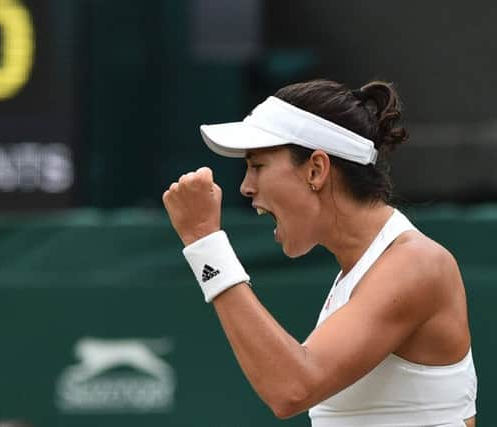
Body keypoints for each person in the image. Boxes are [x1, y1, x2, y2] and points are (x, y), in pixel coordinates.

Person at [162, 79, 478, 426]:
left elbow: (291, 388)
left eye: (258, 165)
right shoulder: (358, 276)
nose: (246, 187)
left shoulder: (416, 264)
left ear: (316, 169)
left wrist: (205, 242)